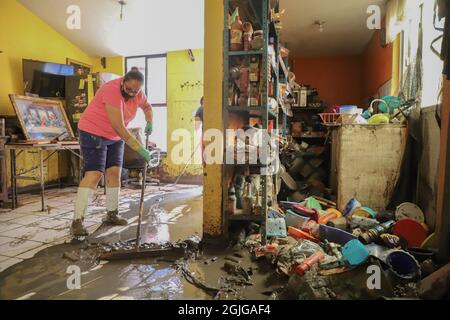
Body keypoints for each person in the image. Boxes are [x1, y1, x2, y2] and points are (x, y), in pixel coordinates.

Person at [71, 67, 153, 237]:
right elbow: (119, 126)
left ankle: (111, 214)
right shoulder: (111, 90)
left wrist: (149, 121)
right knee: (94, 174)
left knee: (114, 173)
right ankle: (77, 221)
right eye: (128, 89)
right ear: (123, 82)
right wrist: (140, 149)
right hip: (93, 132)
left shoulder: (138, 94)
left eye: (135, 91)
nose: (131, 93)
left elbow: (146, 106)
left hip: (114, 136)